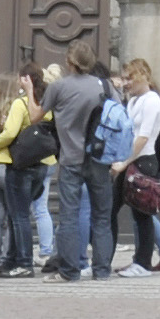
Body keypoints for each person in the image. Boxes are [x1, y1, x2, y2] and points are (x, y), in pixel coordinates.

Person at [46, 52, 116, 279]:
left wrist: (28, 91)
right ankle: (102, 270)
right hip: (99, 158)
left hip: (70, 159)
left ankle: (70, 271)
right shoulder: (105, 86)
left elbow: (37, 115)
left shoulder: (59, 87)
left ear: (69, 62)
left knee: (69, 217)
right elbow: (118, 116)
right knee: (102, 217)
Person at [115, 59, 160, 274]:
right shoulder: (133, 102)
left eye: (130, 78)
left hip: (144, 160)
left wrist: (124, 162)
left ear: (143, 76)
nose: (126, 82)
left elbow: (143, 137)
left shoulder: (152, 101)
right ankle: (127, 260)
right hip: (130, 159)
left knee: (142, 214)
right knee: (114, 209)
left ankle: (143, 263)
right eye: (125, 78)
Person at [0, 67, 47, 277]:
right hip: (42, 163)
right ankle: (10, 260)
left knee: (19, 216)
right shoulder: (45, 104)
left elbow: (10, 133)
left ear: (25, 80)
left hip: (20, 164)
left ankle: (24, 262)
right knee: (18, 214)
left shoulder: (20, 104)